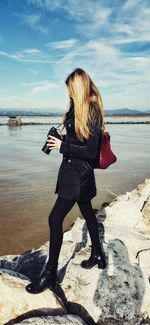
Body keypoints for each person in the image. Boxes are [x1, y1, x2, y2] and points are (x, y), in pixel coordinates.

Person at [25, 68, 107, 295]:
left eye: (71, 90)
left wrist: (63, 146)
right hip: (77, 174)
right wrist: (61, 140)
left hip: (78, 176)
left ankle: (50, 274)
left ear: (78, 88)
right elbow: (79, 141)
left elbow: (91, 151)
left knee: (54, 219)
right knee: (88, 212)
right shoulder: (77, 108)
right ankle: (98, 254)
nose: (69, 94)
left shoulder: (91, 111)